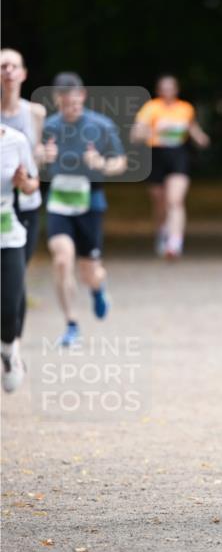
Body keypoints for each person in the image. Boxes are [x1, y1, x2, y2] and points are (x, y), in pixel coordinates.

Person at [43, 72, 126, 347]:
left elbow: (121, 162)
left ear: (83, 96)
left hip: (90, 201)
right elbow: (30, 159)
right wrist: (43, 157)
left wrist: (101, 164)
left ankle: (98, 288)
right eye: (66, 104)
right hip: (59, 202)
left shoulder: (101, 125)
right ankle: (71, 325)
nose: (71, 108)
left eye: (76, 103)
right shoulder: (48, 126)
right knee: (62, 259)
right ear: (57, 101)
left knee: (90, 271)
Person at [131, 75, 210, 259]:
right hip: (156, 155)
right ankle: (161, 232)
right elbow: (136, 134)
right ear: (158, 91)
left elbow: (192, 127)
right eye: (163, 89)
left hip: (178, 155)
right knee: (160, 202)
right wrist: (155, 130)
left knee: (175, 200)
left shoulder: (185, 108)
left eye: (171, 88)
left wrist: (201, 138)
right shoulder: (151, 108)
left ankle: (175, 243)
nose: (167, 92)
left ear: (176, 90)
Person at [1, 48, 46, 338]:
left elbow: (36, 162)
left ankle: (11, 341)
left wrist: (42, 156)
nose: (7, 71)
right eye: (2, 66)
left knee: (16, 274)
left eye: (13, 66)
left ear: (23, 73)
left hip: (27, 202)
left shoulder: (35, 113)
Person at [1, 125, 40, 391]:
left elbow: (32, 184)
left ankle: (8, 351)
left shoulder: (15, 140)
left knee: (9, 306)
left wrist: (24, 182)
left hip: (7, 232)